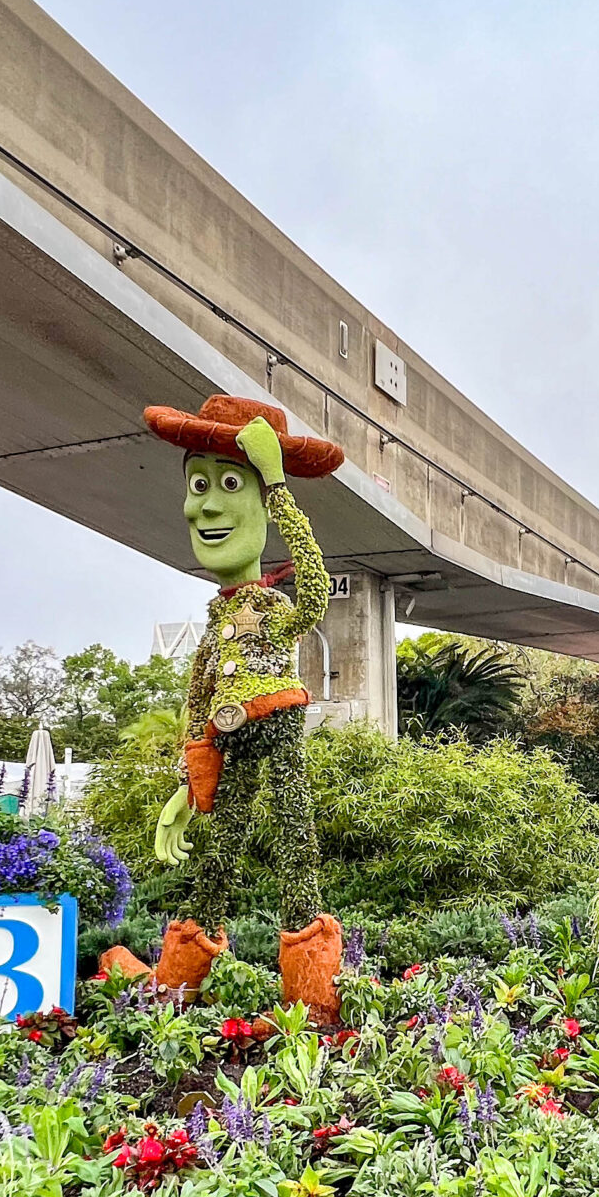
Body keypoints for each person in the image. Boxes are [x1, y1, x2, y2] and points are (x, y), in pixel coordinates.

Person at [144, 396, 346, 1025]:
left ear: (262, 505)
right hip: (228, 742)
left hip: (278, 728)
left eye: (229, 483)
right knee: (218, 859)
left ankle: (313, 1001)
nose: (204, 504)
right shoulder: (215, 627)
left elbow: (315, 590)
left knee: (295, 851)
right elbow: (195, 704)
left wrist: (280, 484)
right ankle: (177, 986)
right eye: (196, 484)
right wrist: (184, 787)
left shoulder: (280, 610)